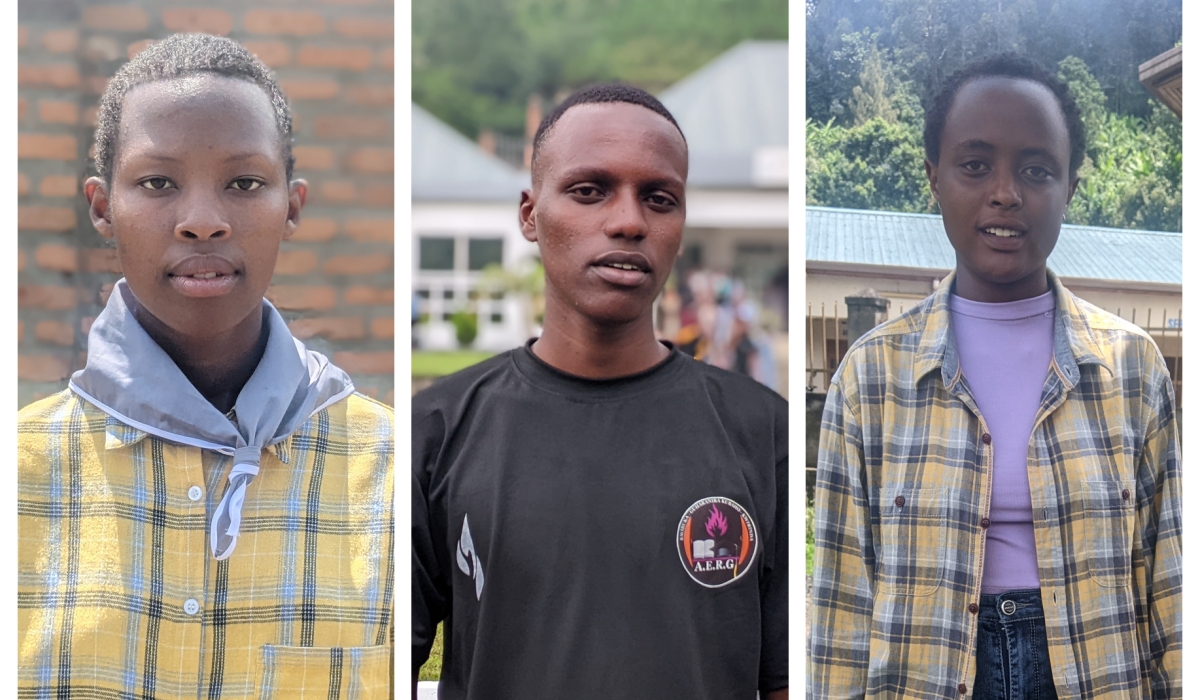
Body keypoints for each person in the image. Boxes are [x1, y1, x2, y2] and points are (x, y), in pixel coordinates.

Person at [17, 34, 394, 700]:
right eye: (158, 182)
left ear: (292, 206)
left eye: (244, 183)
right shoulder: (17, 475)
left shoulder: (391, 476)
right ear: (103, 207)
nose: (201, 221)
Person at [809, 53, 1181, 699]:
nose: (1005, 191)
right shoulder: (870, 376)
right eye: (975, 165)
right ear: (934, 177)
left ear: (1069, 187)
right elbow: (843, 602)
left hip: (1095, 674)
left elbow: (1171, 580)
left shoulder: (1131, 365)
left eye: (1037, 170)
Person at [412, 84, 788, 699]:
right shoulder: (438, 430)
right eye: (589, 191)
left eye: (659, 199)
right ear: (531, 215)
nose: (628, 221)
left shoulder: (764, 431)